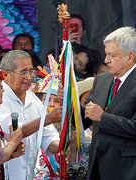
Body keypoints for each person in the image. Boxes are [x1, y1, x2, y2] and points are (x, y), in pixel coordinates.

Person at [58, 26, 136, 180]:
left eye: (112, 55)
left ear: (130, 56)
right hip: (96, 166)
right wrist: (69, 101)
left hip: (127, 169)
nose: (106, 60)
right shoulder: (102, 80)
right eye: (106, 54)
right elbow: (84, 120)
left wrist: (103, 117)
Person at [0, 50, 62, 180]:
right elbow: (13, 132)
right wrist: (46, 119)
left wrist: (67, 143)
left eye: (31, 71)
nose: (29, 77)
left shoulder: (33, 99)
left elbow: (48, 139)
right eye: (23, 72)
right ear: (6, 74)